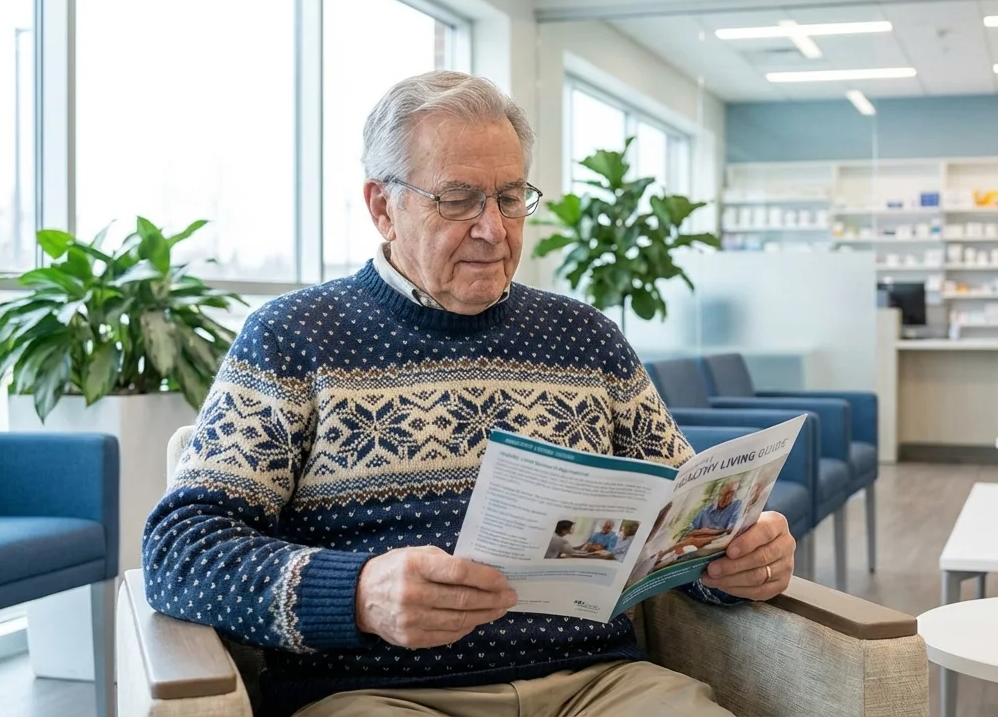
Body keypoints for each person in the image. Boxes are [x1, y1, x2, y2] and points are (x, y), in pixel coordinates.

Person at [141, 70, 796, 717]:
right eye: (458, 200)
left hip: (599, 685)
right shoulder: (294, 339)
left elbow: (680, 522)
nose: (494, 228)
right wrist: (358, 593)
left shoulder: (586, 338)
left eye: (510, 198)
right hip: (378, 694)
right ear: (381, 208)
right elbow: (179, 548)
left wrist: (735, 563)